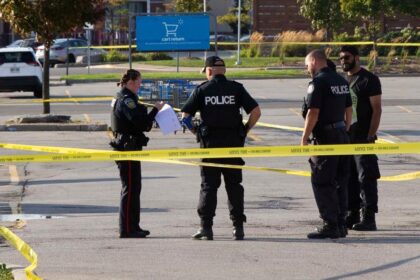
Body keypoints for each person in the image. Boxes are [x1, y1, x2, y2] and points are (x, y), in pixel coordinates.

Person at [181, 56, 261, 240]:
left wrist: (196, 132)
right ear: (224, 71)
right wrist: (245, 129)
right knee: (234, 186)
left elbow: (185, 116)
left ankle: (206, 228)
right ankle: (238, 228)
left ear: (208, 71)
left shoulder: (202, 90)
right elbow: (256, 112)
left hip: (210, 147)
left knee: (209, 186)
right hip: (234, 145)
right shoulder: (236, 88)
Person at [301, 49, 352, 239]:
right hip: (341, 135)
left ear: (314, 61)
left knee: (322, 181)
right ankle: (340, 223)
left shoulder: (318, 82)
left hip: (325, 138)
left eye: (307, 64)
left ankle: (330, 224)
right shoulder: (341, 80)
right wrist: (345, 129)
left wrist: (305, 137)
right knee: (340, 181)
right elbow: (349, 109)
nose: (307, 68)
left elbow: (313, 112)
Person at [110, 69, 164, 238]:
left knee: (134, 188)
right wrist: (155, 110)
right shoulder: (126, 100)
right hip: (127, 149)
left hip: (130, 147)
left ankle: (134, 226)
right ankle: (126, 229)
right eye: (139, 83)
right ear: (131, 82)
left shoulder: (127, 98)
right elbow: (142, 124)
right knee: (130, 188)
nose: (140, 86)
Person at [339, 45, 382, 231]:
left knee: (366, 177)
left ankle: (369, 217)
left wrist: (370, 135)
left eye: (347, 57)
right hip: (345, 138)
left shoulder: (368, 79)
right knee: (348, 177)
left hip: (363, 137)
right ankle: (352, 213)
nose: (343, 61)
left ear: (356, 58)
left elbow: (377, 109)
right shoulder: (341, 80)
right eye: (341, 58)